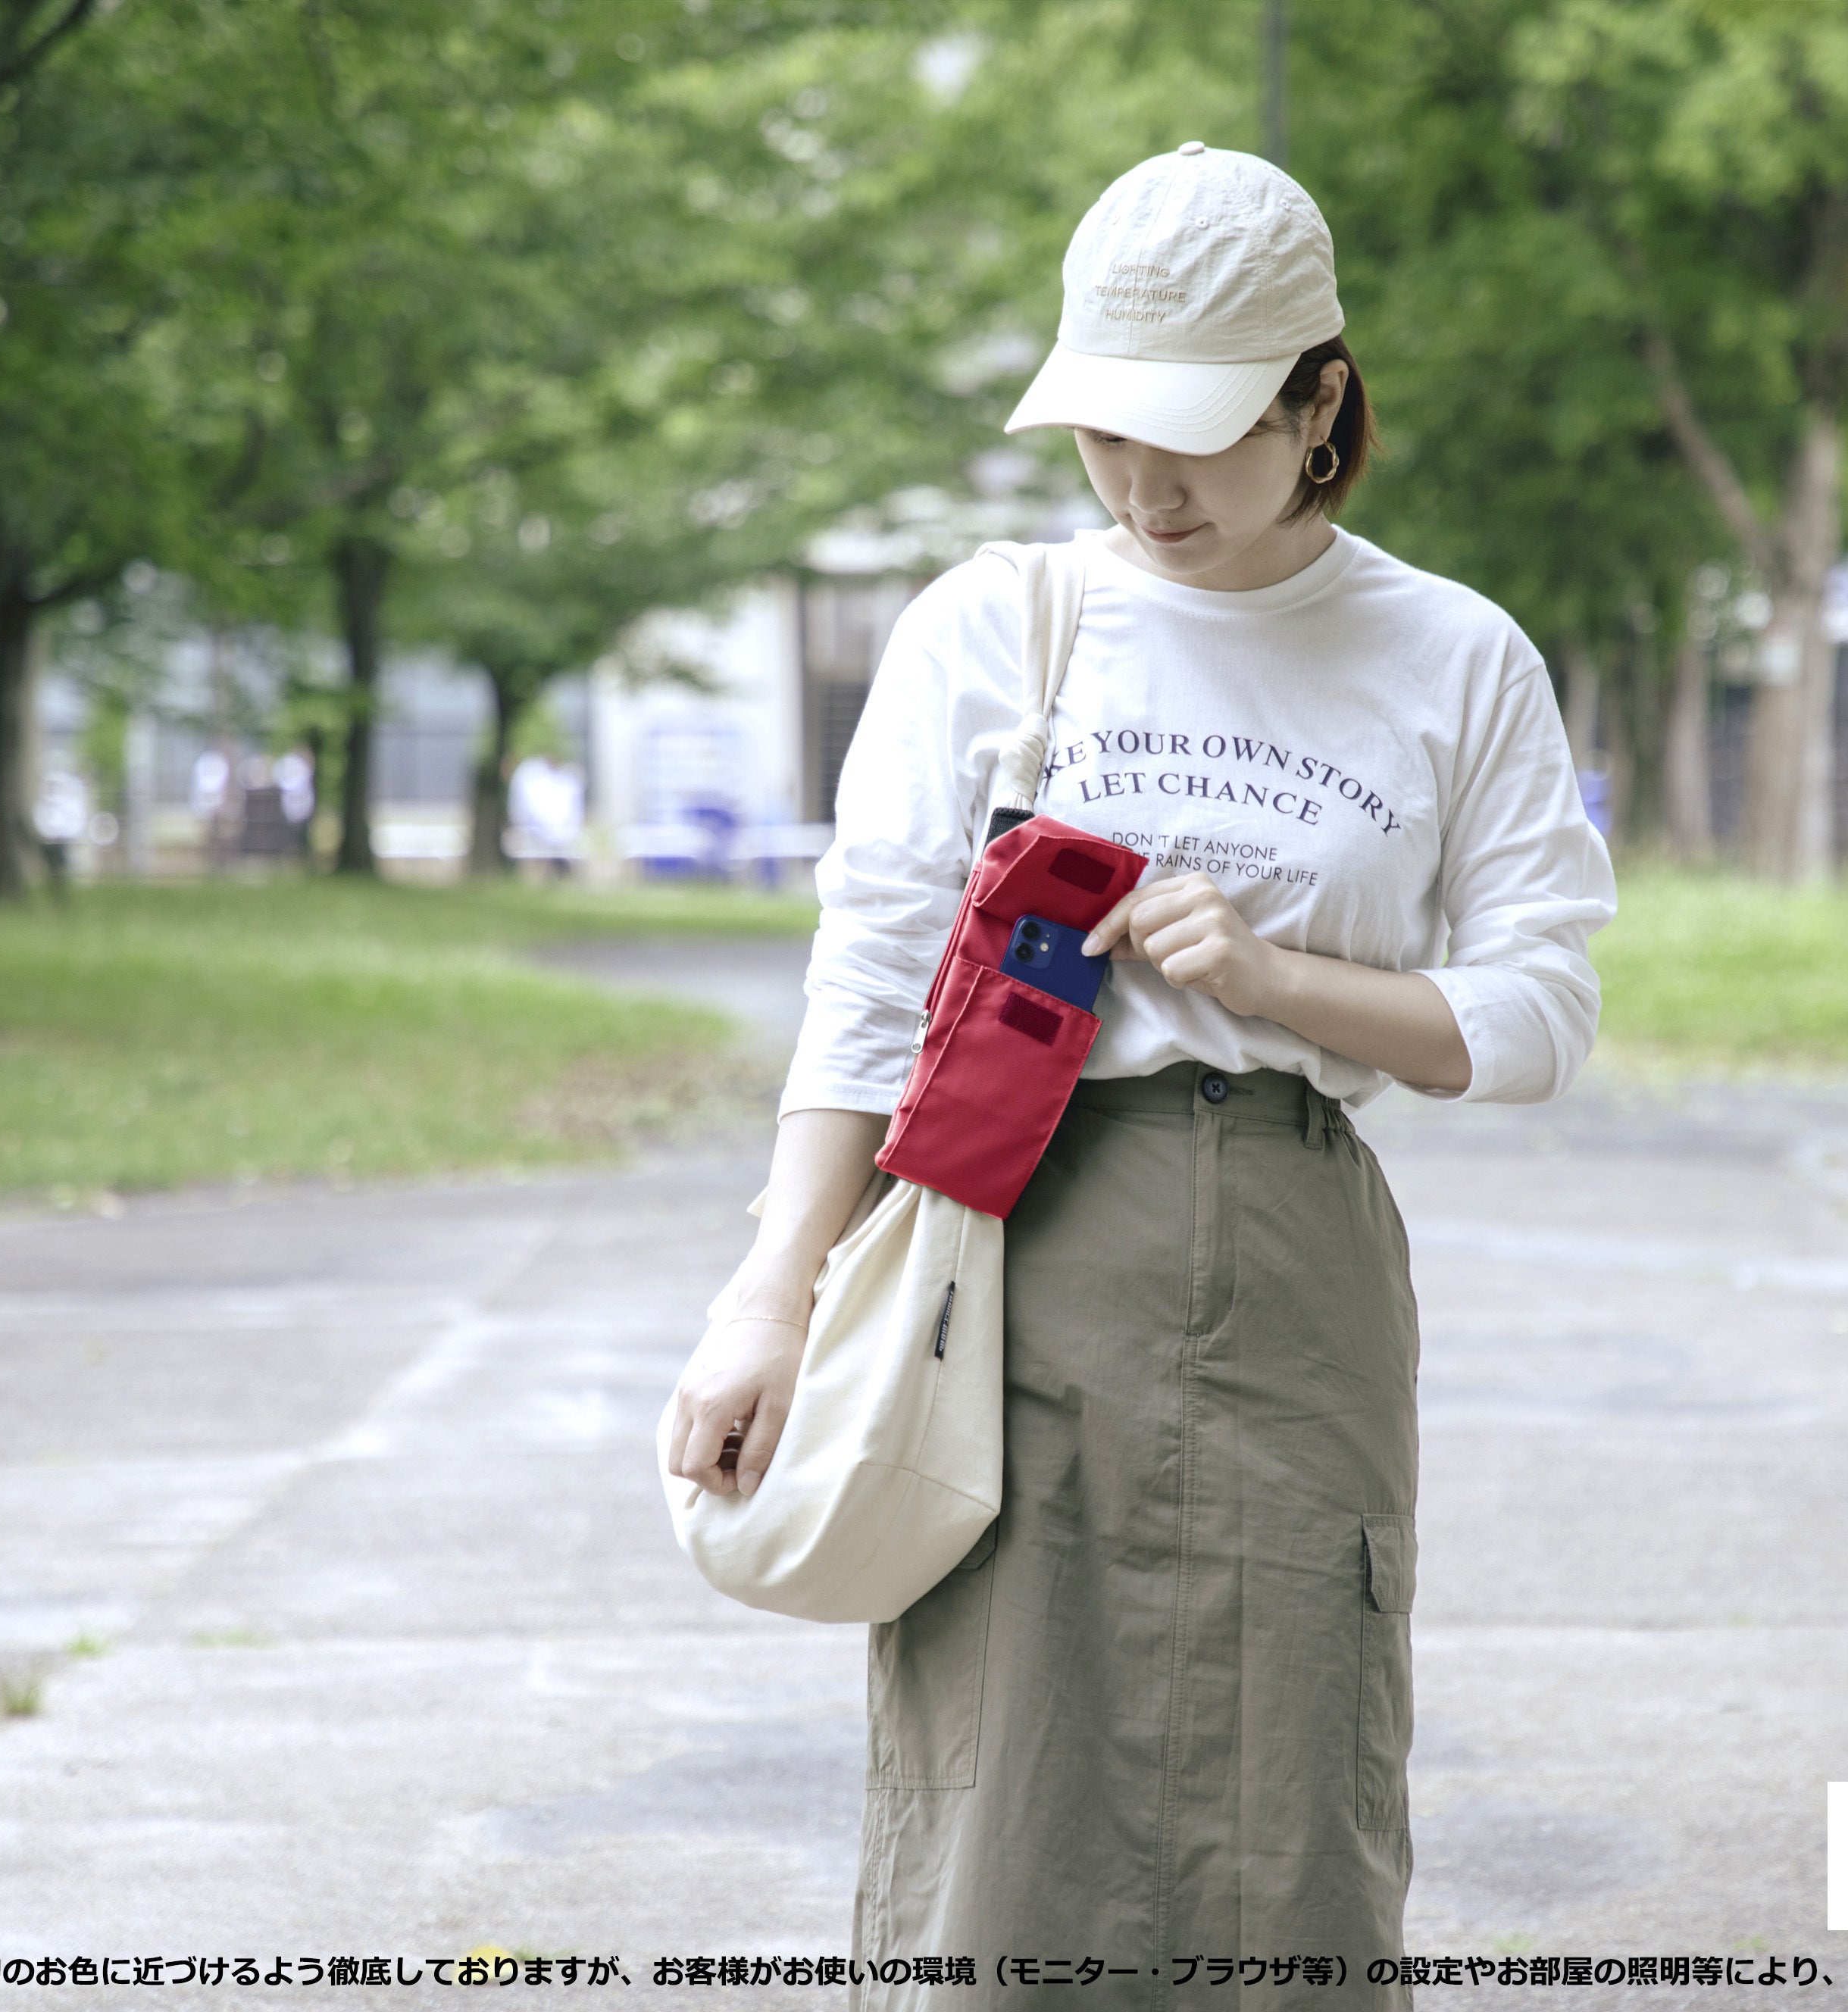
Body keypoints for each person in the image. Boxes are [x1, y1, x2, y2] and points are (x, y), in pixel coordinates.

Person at [663, 143, 1615, 2006]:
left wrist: (1280, 976)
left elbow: (1536, 1012)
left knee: (1294, 1804)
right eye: (1106, 430)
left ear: (1320, 402)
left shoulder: (1453, 654)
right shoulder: (997, 624)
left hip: (1297, 1261)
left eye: (1195, 434)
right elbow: (871, 981)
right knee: (1009, 1791)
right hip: (1006, 1249)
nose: (1144, 485)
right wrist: (772, 1289)